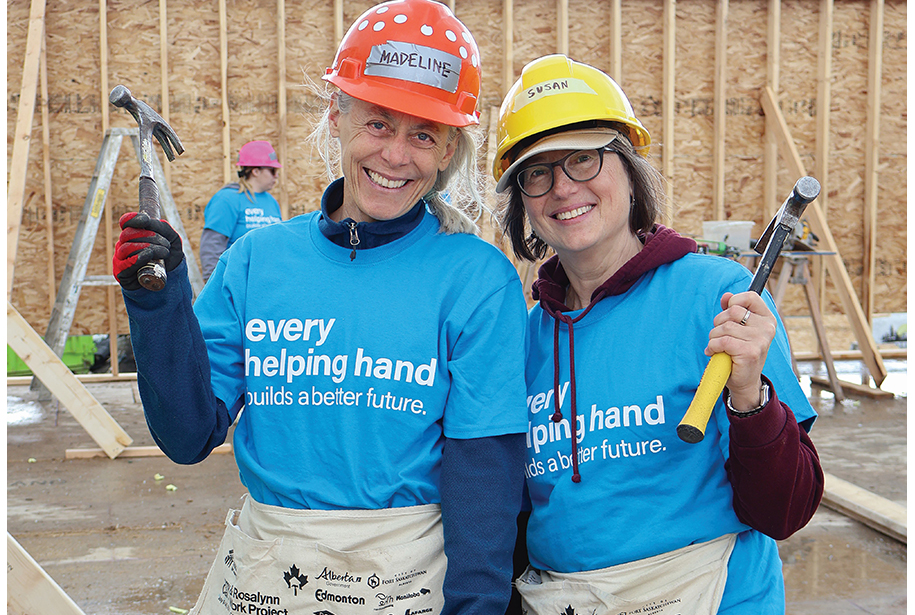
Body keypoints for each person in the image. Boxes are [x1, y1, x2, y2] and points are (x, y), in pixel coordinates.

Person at [111, 2, 529, 614]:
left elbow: (485, 478)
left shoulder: (473, 279)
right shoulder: (258, 263)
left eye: (423, 134)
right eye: (378, 124)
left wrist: (476, 607)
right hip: (267, 578)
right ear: (337, 115)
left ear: (447, 151)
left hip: (406, 583)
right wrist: (158, 305)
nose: (395, 156)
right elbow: (187, 435)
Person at [492, 54, 824, 614]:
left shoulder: (718, 298)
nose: (562, 188)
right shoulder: (523, 339)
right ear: (523, 202)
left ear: (627, 168)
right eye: (536, 172)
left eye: (583, 159)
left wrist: (750, 398)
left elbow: (783, 512)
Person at [199, 140, 283, 282]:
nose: (276, 176)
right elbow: (211, 247)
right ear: (255, 171)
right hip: (238, 283)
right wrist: (214, 285)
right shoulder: (227, 199)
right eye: (272, 170)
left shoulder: (271, 201)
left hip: (267, 283)